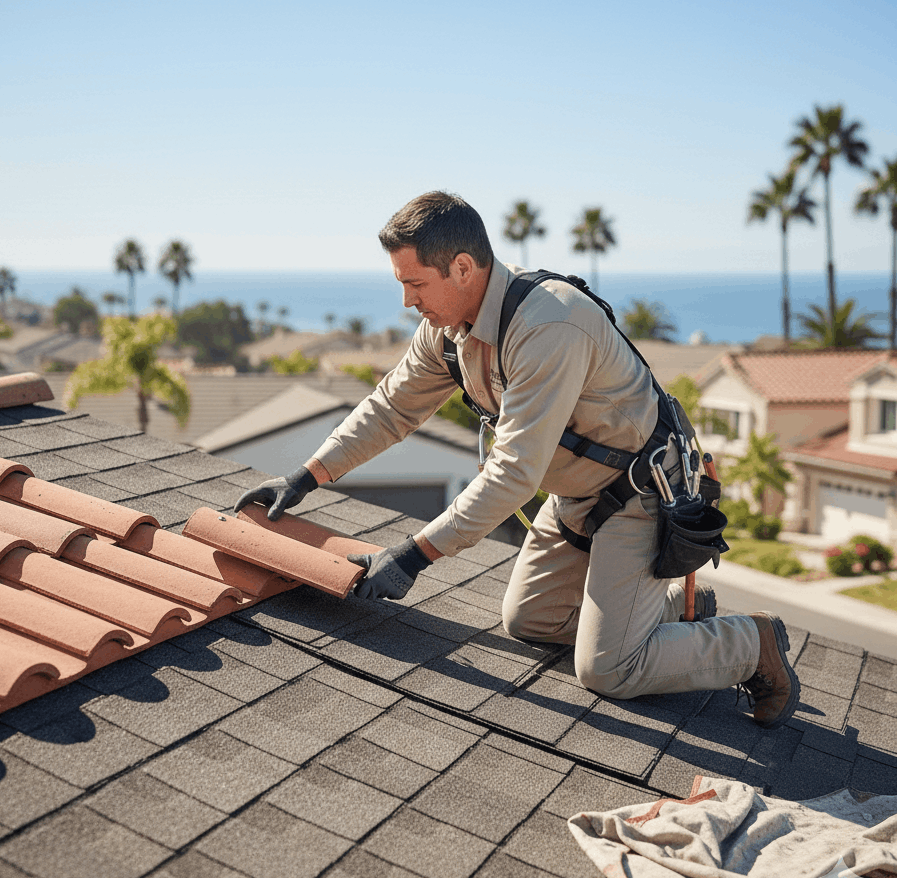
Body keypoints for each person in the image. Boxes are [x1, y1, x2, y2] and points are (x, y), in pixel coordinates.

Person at [235, 191, 800, 729]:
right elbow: (391, 409)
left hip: (640, 497)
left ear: (462, 268)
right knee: (529, 620)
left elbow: (513, 471)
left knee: (608, 670)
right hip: (577, 495)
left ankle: (753, 644)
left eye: (414, 283)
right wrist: (307, 476)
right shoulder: (448, 330)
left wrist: (412, 556)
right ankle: (670, 610)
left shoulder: (549, 325)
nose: (408, 300)